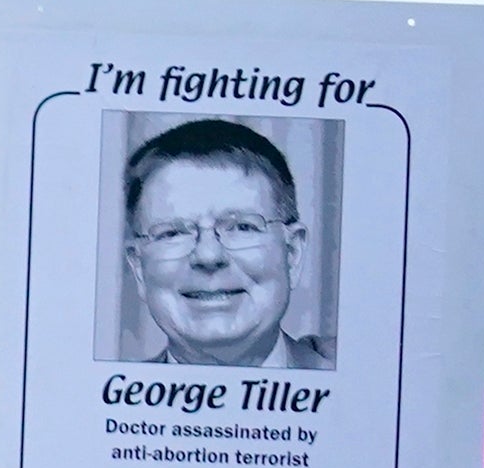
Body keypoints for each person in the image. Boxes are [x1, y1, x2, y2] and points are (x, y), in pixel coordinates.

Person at [122, 119, 331, 371]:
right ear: (138, 269)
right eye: (173, 233)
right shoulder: (96, 400)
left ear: (292, 254)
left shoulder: (370, 375)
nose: (208, 255)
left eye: (242, 227)